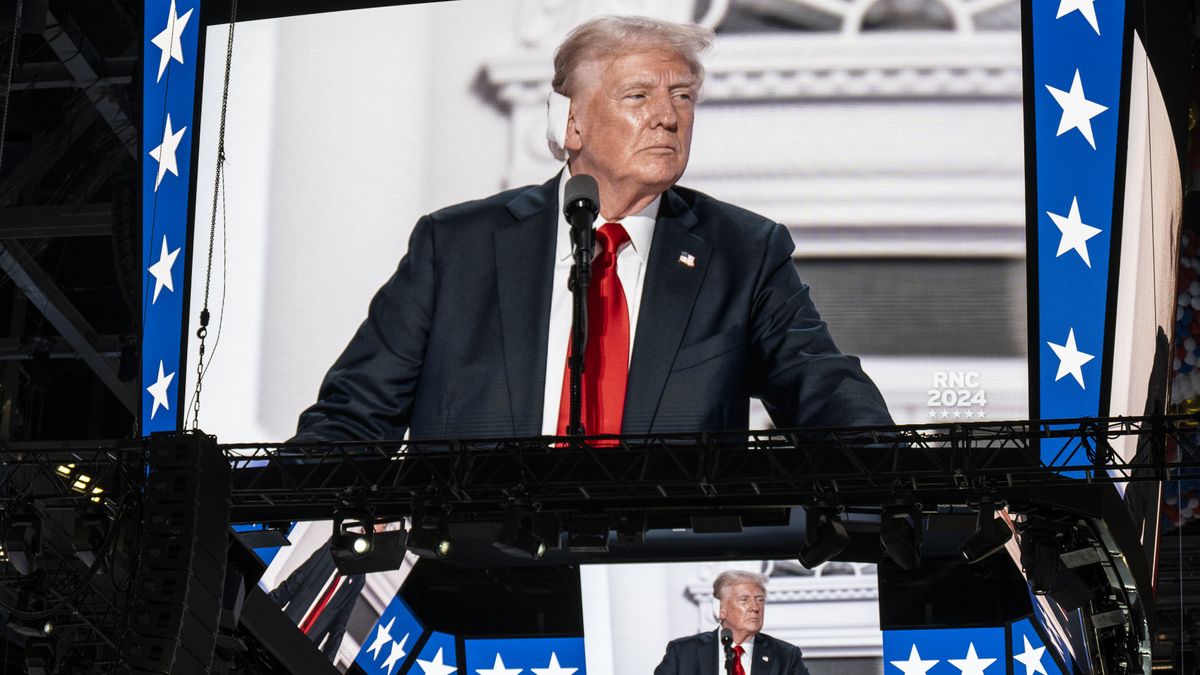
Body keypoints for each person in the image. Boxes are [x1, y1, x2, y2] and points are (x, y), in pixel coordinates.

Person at [293, 14, 891, 445]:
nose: (668, 115)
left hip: (658, 565)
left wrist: (898, 475)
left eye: (683, 96)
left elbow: (821, 386)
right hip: (479, 572)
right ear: (571, 122)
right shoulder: (456, 247)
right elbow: (353, 417)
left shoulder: (744, 251)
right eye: (639, 95)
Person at [654, 570, 810, 675]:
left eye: (760, 600)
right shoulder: (683, 653)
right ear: (721, 609)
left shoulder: (785, 655)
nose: (755, 608)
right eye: (744, 600)